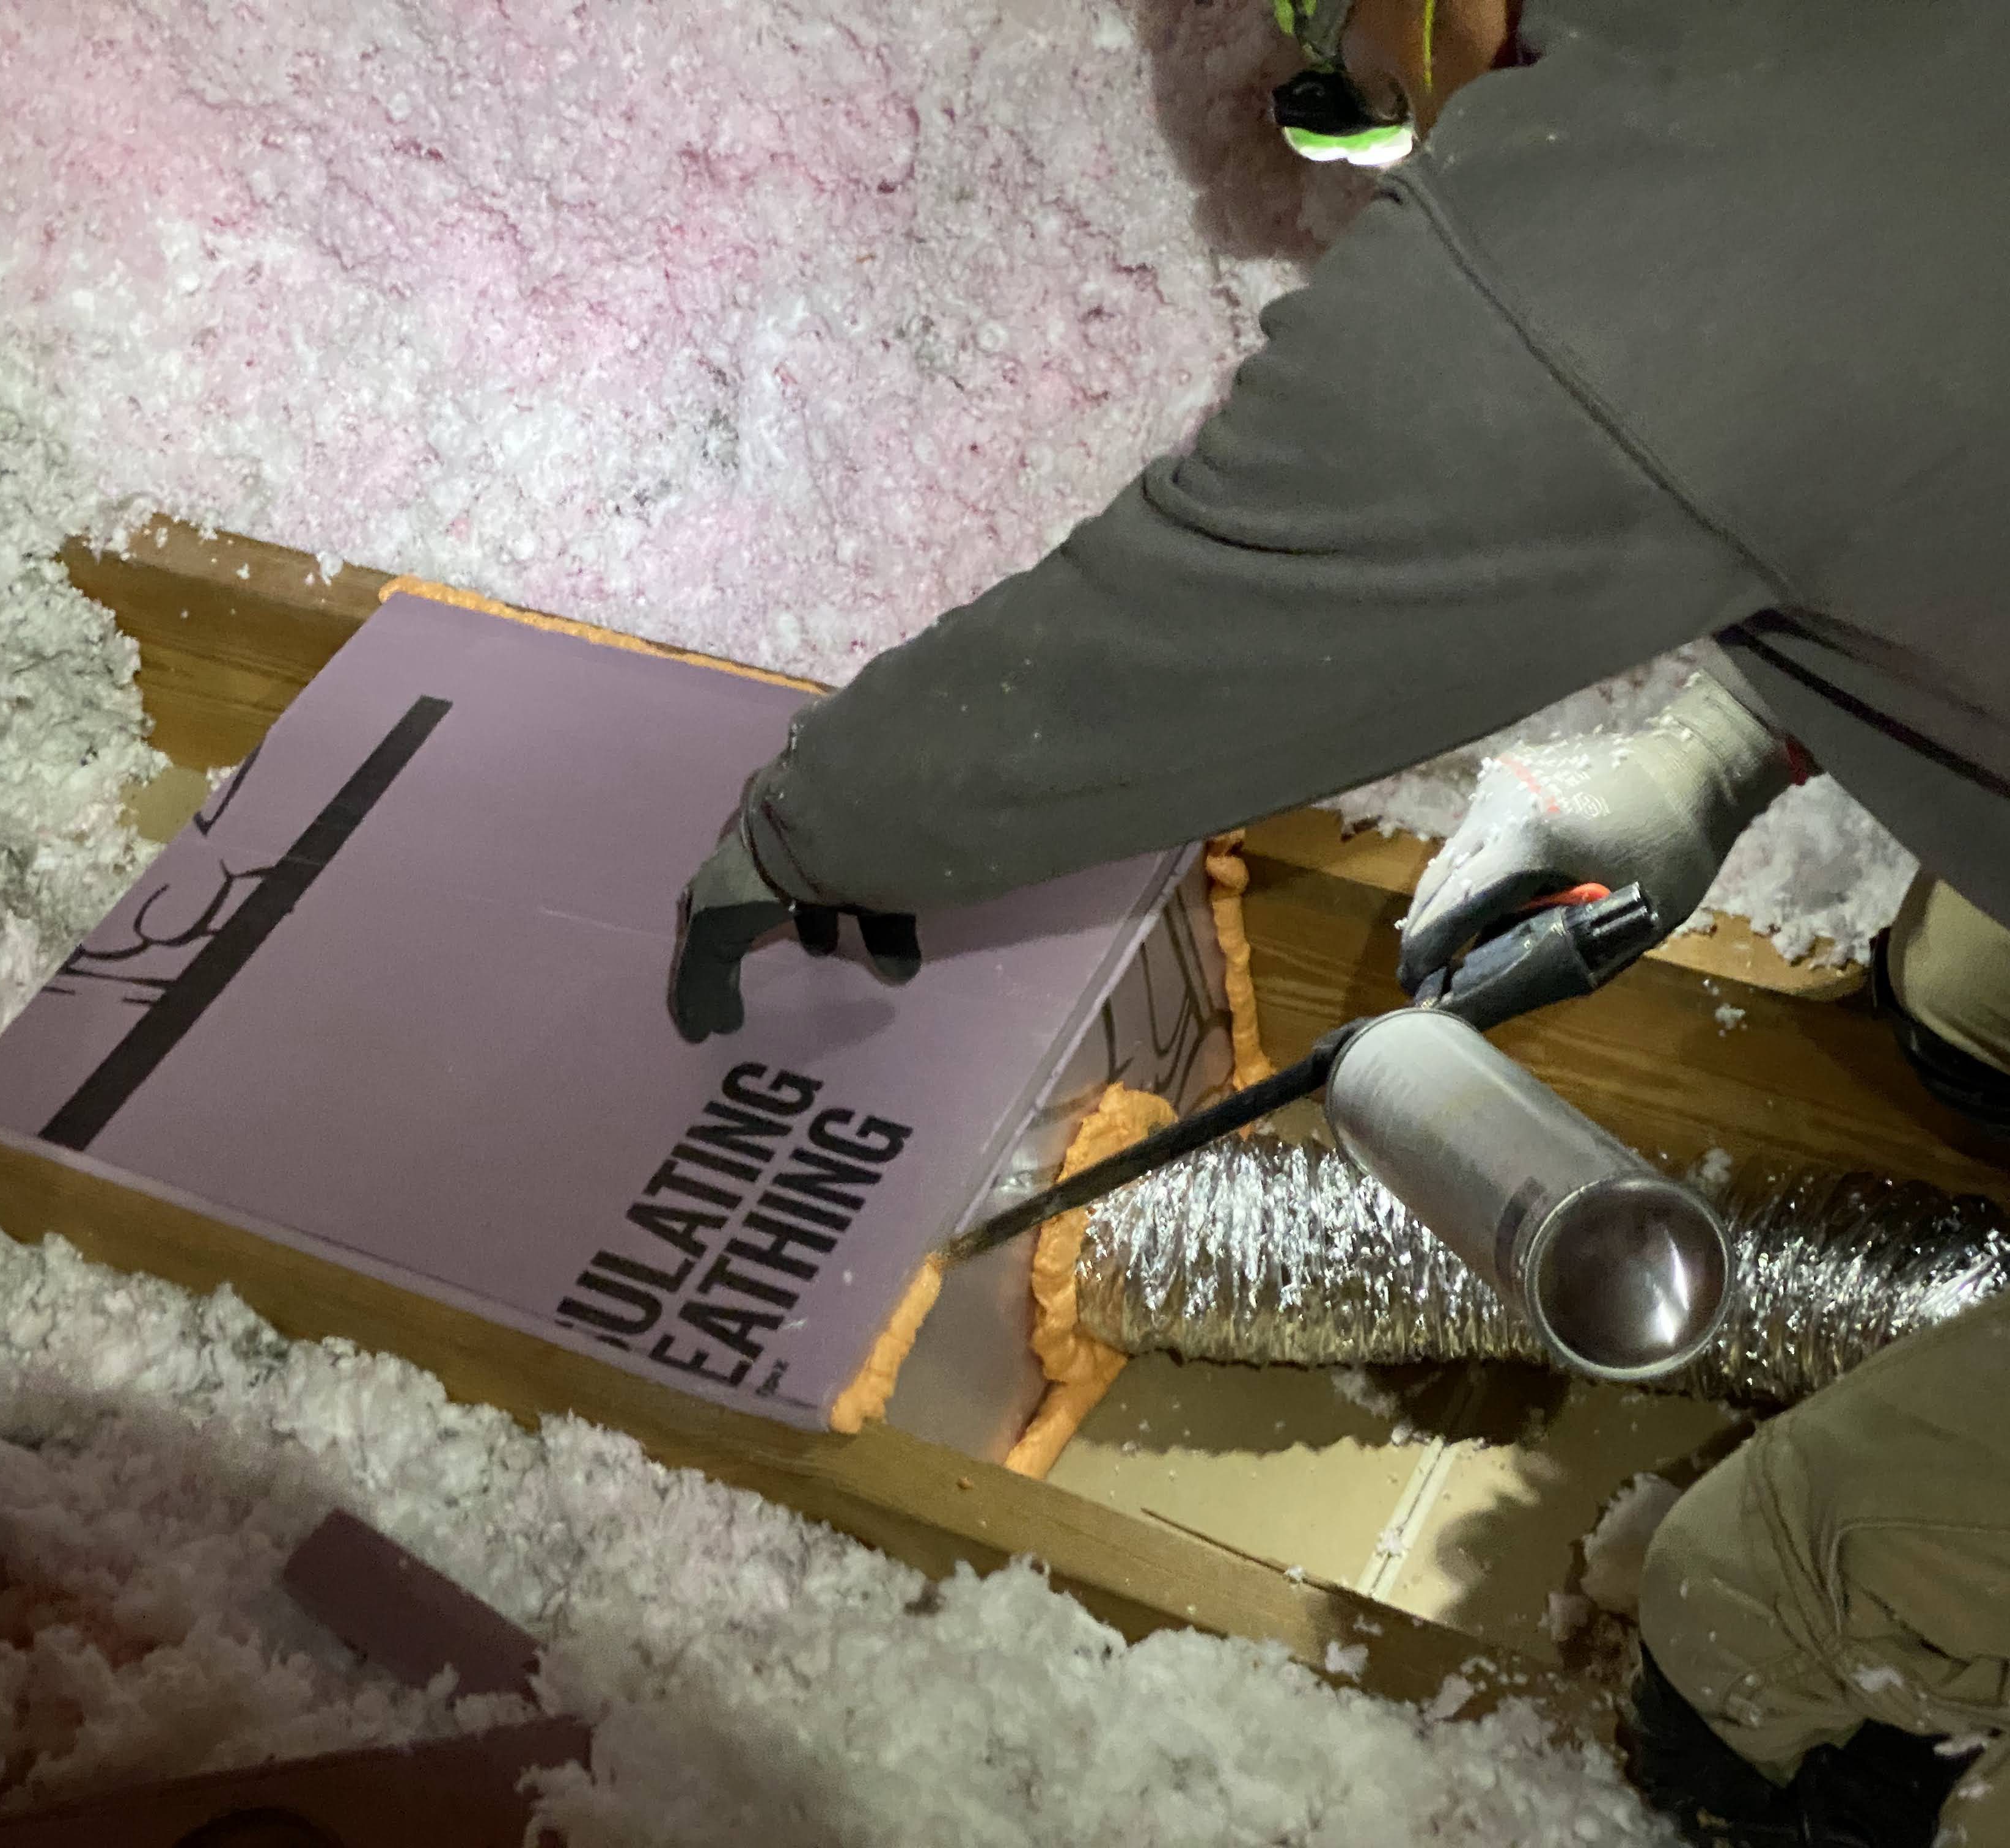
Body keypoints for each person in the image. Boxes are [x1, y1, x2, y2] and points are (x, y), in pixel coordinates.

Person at [661, 0, 2010, 1841]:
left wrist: (806, 829)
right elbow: (1918, 416)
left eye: (1358, 105)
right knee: (1959, 994)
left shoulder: (1616, 226)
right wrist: (1721, 748)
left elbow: (1165, 636)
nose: (1404, 139)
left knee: (1748, 1609)